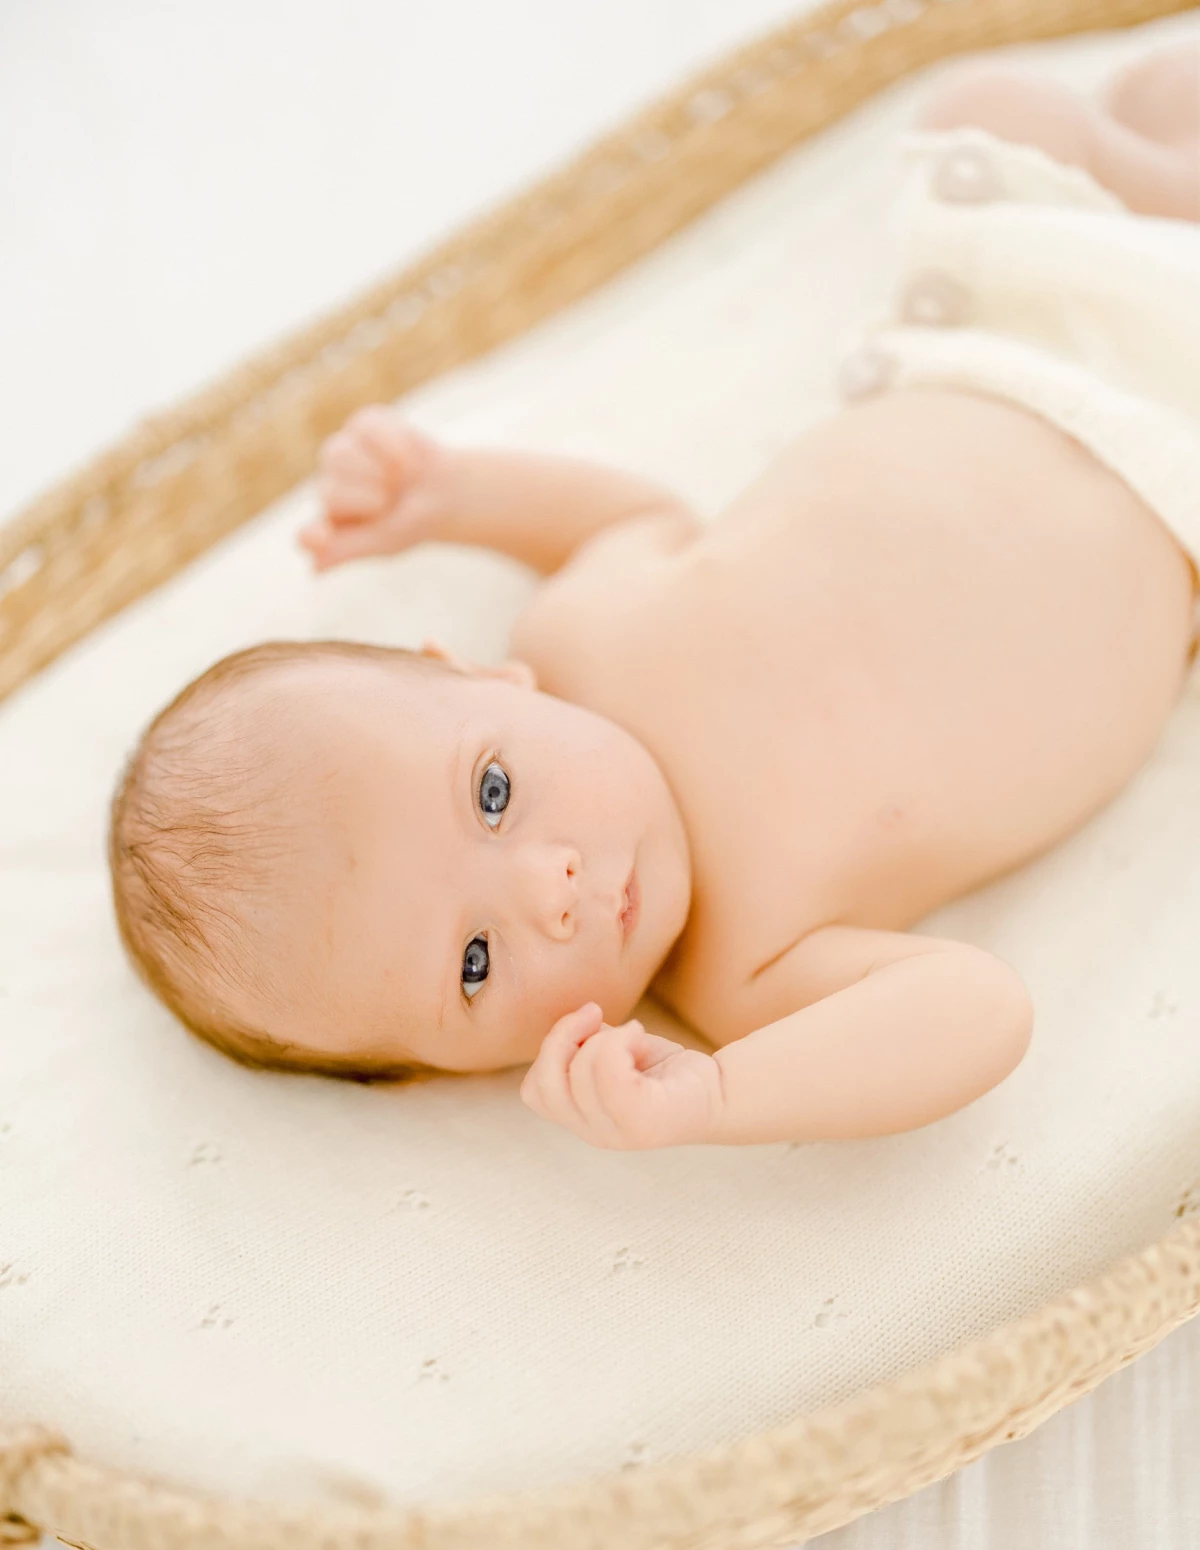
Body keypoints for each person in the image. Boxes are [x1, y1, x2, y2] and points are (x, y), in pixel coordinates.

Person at [109, 42, 1200, 1151]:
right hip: (1181, 530)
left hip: (1012, 350)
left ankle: (1148, 157)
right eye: (477, 963)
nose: (550, 887)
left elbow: (623, 519)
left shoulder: (581, 637)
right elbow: (979, 1010)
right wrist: (718, 1099)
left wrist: (455, 492)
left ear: (484, 677)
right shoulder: (746, 973)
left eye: (493, 792)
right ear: (452, 1073)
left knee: (995, 106)